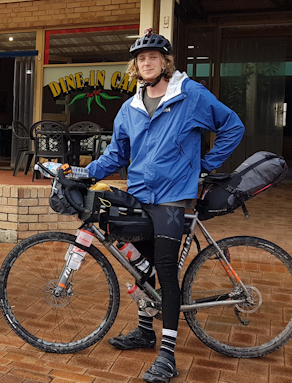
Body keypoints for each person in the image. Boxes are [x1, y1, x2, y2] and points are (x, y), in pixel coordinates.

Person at [84, 30, 244, 383]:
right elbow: (116, 154)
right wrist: (84, 172)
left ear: (164, 61)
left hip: (173, 197)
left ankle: (168, 356)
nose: (147, 62)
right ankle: (145, 331)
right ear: (135, 66)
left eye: (153, 57)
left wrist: (205, 164)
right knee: (142, 267)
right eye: (141, 59)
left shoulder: (190, 94)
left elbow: (232, 126)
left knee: (166, 271)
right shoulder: (130, 107)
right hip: (140, 193)